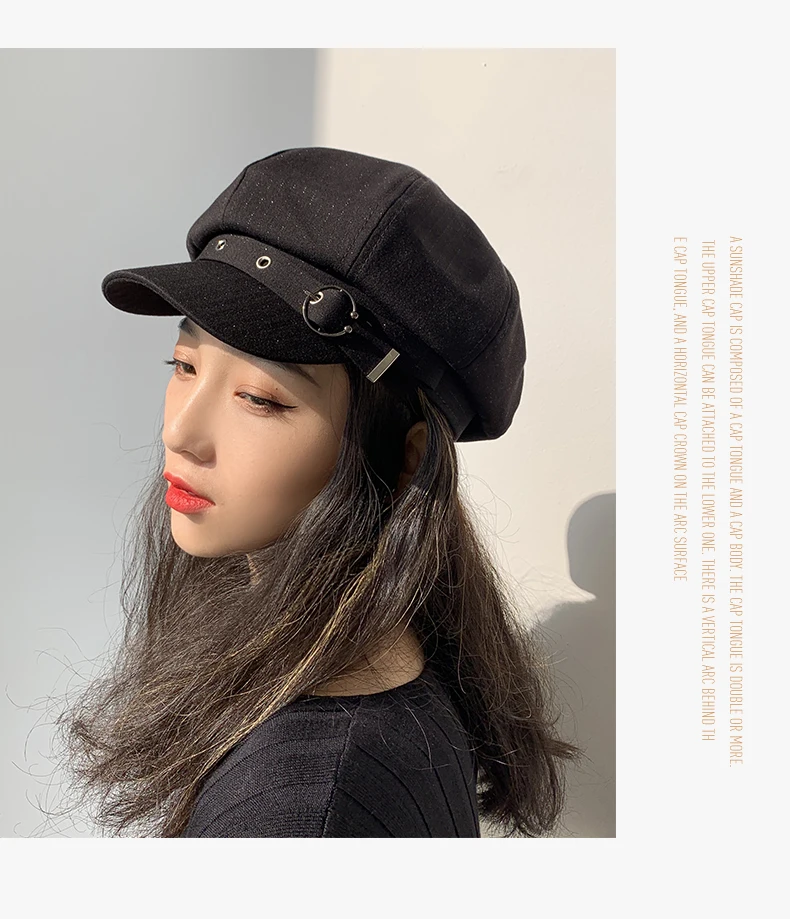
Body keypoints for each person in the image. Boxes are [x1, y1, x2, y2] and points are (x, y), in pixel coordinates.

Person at [54, 146, 583, 838]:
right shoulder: (386, 668)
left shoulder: (303, 808)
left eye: (259, 398)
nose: (179, 432)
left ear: (405, 457)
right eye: (184, 365)